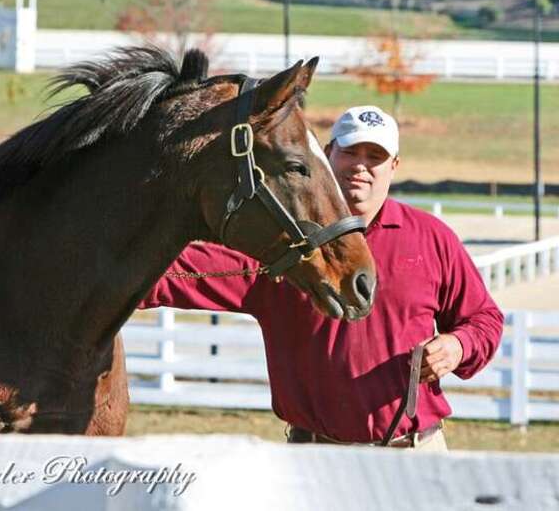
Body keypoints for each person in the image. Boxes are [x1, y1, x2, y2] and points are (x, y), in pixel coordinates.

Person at [138, 105, 503, 450]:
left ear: (394, 165)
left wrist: (458, 346)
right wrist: (114, 262)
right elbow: (169, 272)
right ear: (327, 155)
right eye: (350, 152)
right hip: (311, 457)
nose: (360, 165)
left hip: (413, 453)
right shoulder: (283, 244)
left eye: (375, 156)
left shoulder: (431, 238)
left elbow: (484, 319)